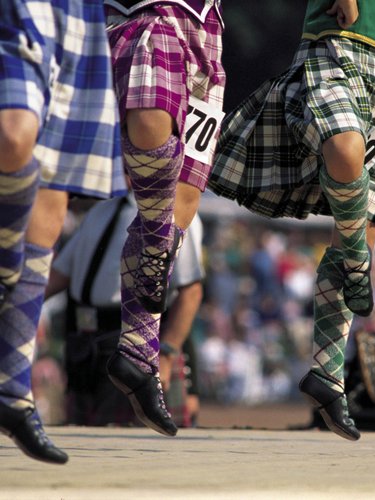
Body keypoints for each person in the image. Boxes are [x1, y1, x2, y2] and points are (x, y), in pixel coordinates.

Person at [209, 0, 375, 440]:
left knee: (361, 223)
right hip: (335, 49)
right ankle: (357, 262)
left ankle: (326, 373)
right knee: (343, 150)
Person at [0, 1, 126, 464]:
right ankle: (3, 268)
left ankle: (13, 393)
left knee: (52, 198)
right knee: (13, 136)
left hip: (77, 15)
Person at [100, 0, 225, 438]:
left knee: (183, 206)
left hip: (206, 29)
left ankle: (137, 353)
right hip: (147, 12)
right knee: (152, 129)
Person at [45, 192, 205, 427]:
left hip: (132, 342)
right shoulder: (100, 210)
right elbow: (58, 275)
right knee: (84, 440)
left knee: (126, 442)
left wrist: (167, 355)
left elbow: (190, 292)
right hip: (85, 346)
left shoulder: (172, 211)